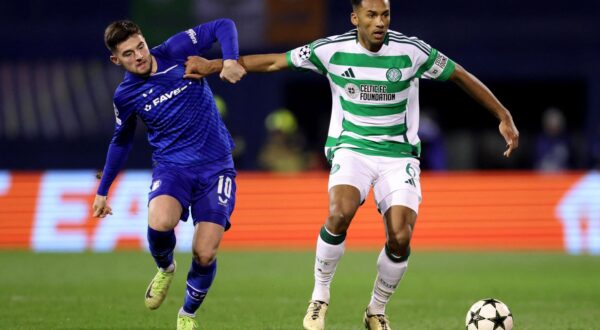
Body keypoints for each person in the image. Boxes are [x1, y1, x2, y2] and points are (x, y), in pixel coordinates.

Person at [185, 0, 519, 329]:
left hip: (398, 154)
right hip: (352, 149)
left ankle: (376, 309)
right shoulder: (330, 50)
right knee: (339, 212)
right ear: (355, 17)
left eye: (385, 14)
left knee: (401, 236)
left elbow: (459, 74)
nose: (380, 22)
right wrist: (214, 65)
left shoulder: (412, 51)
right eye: (371, 14)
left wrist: (503, 116)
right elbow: (275, 62)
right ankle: (319, 298)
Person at [92, 19, 246, 330]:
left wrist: (229, 59)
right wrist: (103, 190)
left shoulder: (177, 49)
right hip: (172, 167)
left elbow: (224, 25)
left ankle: (187, 315)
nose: (138, 56)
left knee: (205, 252)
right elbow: (120, 140)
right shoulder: (126, 95)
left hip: (216, 167)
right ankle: (165, 267)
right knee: (160, 221)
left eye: (140, 46)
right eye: (128, 54)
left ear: (145, 40)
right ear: (116, 59)